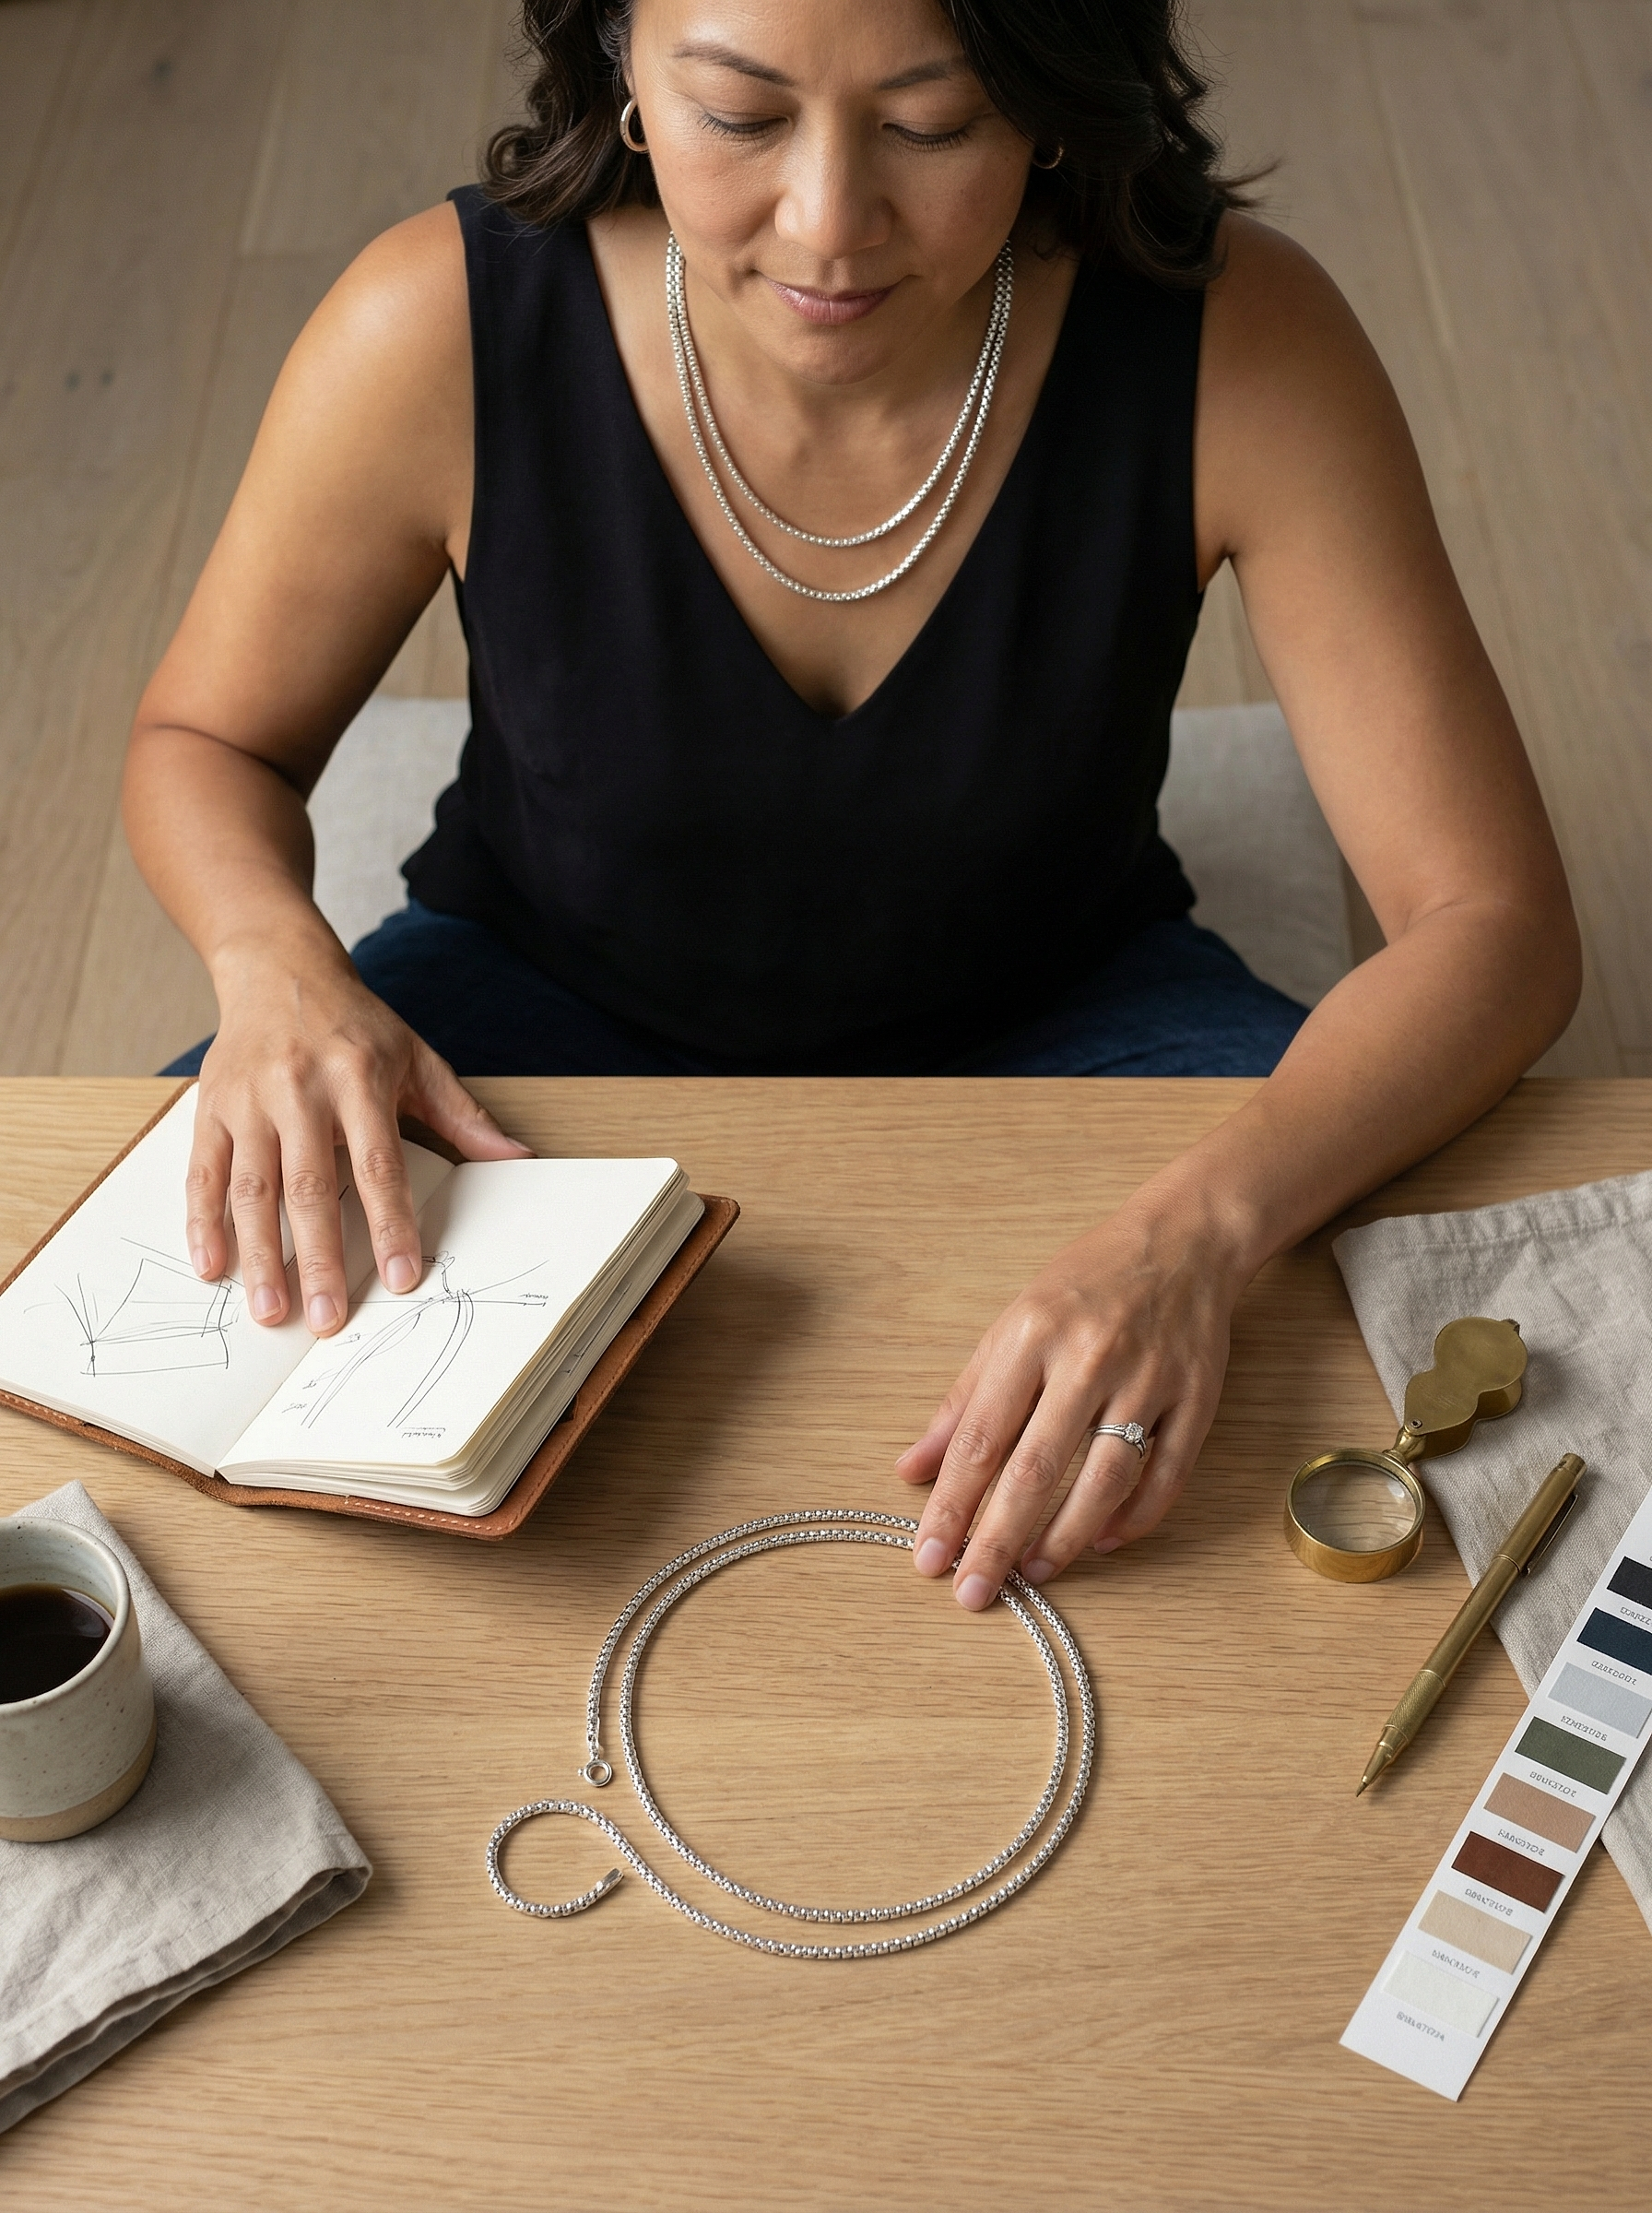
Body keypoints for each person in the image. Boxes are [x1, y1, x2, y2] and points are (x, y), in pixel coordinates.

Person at [124, 0, 1579, 1611]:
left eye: (933, 124)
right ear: (621, 67)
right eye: (741, 117)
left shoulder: (1234, 334)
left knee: (1432, 1406)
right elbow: (208, 737)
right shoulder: (436, 324)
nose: (828, 222)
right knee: (187, 1419)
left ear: (1048, 104)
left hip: (1067, 1002)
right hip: (530, 1000)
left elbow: (1494, 926)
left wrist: (1198, 1235)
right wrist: (275, 966)